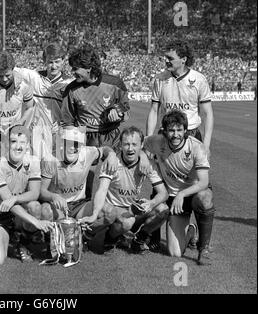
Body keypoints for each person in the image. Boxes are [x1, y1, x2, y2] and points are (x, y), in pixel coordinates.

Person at [145, 40, 214, 250]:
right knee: (159, 183)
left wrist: (207, 144)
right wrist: (149, 142)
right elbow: (153, 111)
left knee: (198, 186)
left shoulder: (198, 79)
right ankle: (152, 237)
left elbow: (208, 114)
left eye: (170, 58)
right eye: (165, 57)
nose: (165, 60)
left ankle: (202, 241)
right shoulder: (160, 79)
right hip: (167, 134)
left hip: (191, 133)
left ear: (183, 59)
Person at [80, 126, 169, 254]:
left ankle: (138, 239)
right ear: (121, 145)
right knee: (128, 221)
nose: (130, 148)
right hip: (113, 210)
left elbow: (163, 193)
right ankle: (109, 239)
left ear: (142, 145)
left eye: (134, 144)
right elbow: (102, 190)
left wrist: (151, 203)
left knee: (163, 210)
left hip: (132, 209)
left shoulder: (147, 164)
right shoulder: (113, 162)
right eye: (126, 144)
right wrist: (95, 213)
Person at [144, 110, 214, 265]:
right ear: (164, 131)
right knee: (175, 253)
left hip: (192, 194)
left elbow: (203, 182)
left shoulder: (197, 147)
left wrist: (181, 194)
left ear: (186, 131)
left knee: (204, 198)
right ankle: (190, 231)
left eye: (179, 130)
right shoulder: (157, 141)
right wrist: (144, 158)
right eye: (171, 130)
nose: (175, 135)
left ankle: (204, 248)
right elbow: (139, 144)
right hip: (172, 198)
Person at [0, 124, 54, 265]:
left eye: (22, 142)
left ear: (28, 145)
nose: (18, 147)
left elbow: (34, 193)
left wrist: (15, 198)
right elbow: (8, 204)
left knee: (35, 206)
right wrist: (36, 222)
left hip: (19, 213)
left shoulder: (33, 161)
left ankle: (23, 243)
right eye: (14, 141)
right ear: (6, 143)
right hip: (0, 215)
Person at [40, 125, 117, 222]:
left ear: (81, 145)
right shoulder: (50, 160)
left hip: (80, 205)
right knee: (45, 211)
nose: (72, 147)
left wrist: (111, 154)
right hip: (58, 207)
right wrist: (54, 196)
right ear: (61, 143)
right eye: (68, 143)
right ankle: (52, 236)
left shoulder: (87, 153)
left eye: (76, 144)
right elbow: (41, 191)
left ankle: (87, 235)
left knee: (108, 212)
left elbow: (104, 149)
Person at [61, 43, 130, 150]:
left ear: (88, 68)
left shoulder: (115, 84)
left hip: (110, 138)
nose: (72, 72)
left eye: (75, 69)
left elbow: (126, 110)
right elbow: (67, 121)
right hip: (83, 138)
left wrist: (117, 110)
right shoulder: (71, 89)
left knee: (112, 166)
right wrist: (67, 151)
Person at [13, 42, 73, 158]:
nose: (54, 66)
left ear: (63, 61)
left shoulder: (69, 83)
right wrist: (15, 76)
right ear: (44, 61)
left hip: (58, 133)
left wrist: (63, 123)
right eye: (50, 62)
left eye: (57, 62)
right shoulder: (34, 77)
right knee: (34, 168)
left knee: (55, 170)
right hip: (35, 132)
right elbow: (6, 66)